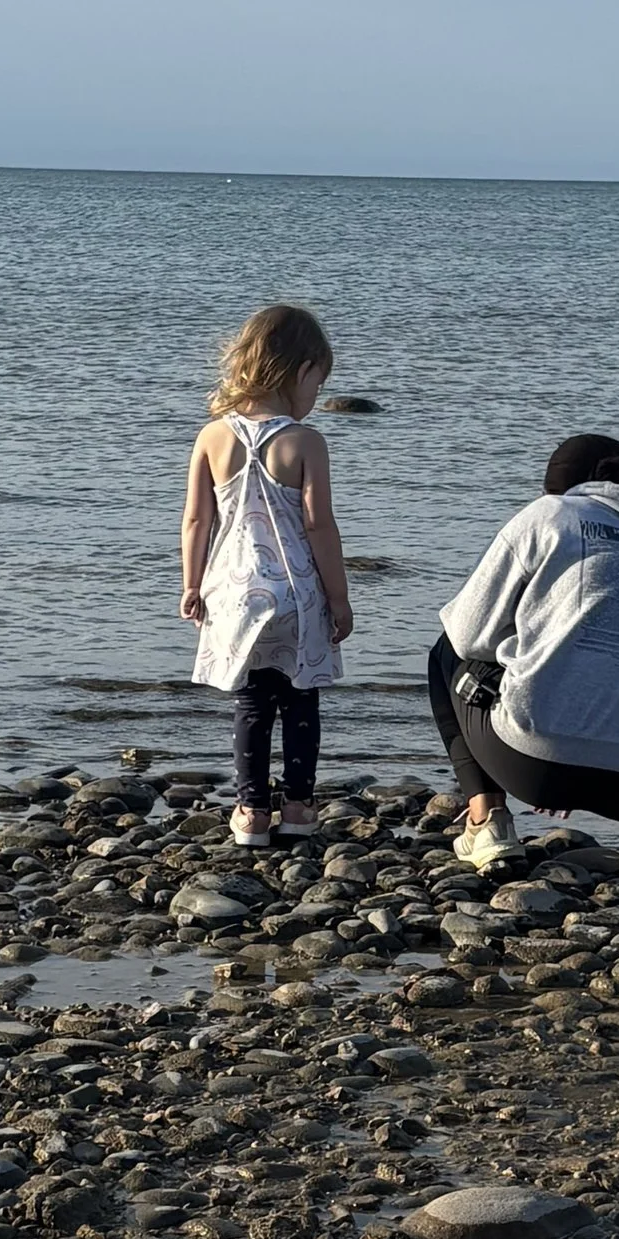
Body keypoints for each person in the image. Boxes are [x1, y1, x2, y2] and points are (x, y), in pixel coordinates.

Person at [431, 432, 619, 876]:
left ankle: (487, 821)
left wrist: (533, 662)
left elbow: (467, 634)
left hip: (537, 767)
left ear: (564, 488)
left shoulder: (550, 515)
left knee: (447, 651)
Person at [182, 302, 353, 844]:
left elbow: (196, 519)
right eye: (317, 384)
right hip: (297, 593)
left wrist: (190, 584)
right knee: (301, 697)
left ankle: (252, 812)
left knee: (252, 703)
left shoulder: (213, 437)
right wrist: (339, 596)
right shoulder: (303, 443)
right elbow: (319, 527)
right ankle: (299, 807)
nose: (315, 399)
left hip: (235, 593)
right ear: (301, 372)